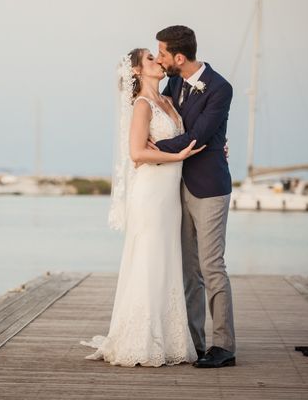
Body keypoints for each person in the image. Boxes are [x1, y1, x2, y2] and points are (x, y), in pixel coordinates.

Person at [80, 47, 203, 367]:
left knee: (167, 260)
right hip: (150, 194)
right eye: (150, 58)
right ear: (136, 71)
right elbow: (137, 154)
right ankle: (141, 339)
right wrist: (176, 157)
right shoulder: (142, 106)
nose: (157, 61)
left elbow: (186, 137)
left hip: (169, 196)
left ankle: (169, 337)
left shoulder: (169, 101)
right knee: (149, 259)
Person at [152, 25, 236, 368]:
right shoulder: (173, 83)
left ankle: (224, 345)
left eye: (162, 54)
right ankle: (195, 342)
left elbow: (198, 137)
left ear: (179, 57)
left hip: (210, 186)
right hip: (175, 186)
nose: (159, 59)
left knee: (211, 265)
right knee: (188, 270)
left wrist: (150, 148)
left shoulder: (220, 88)